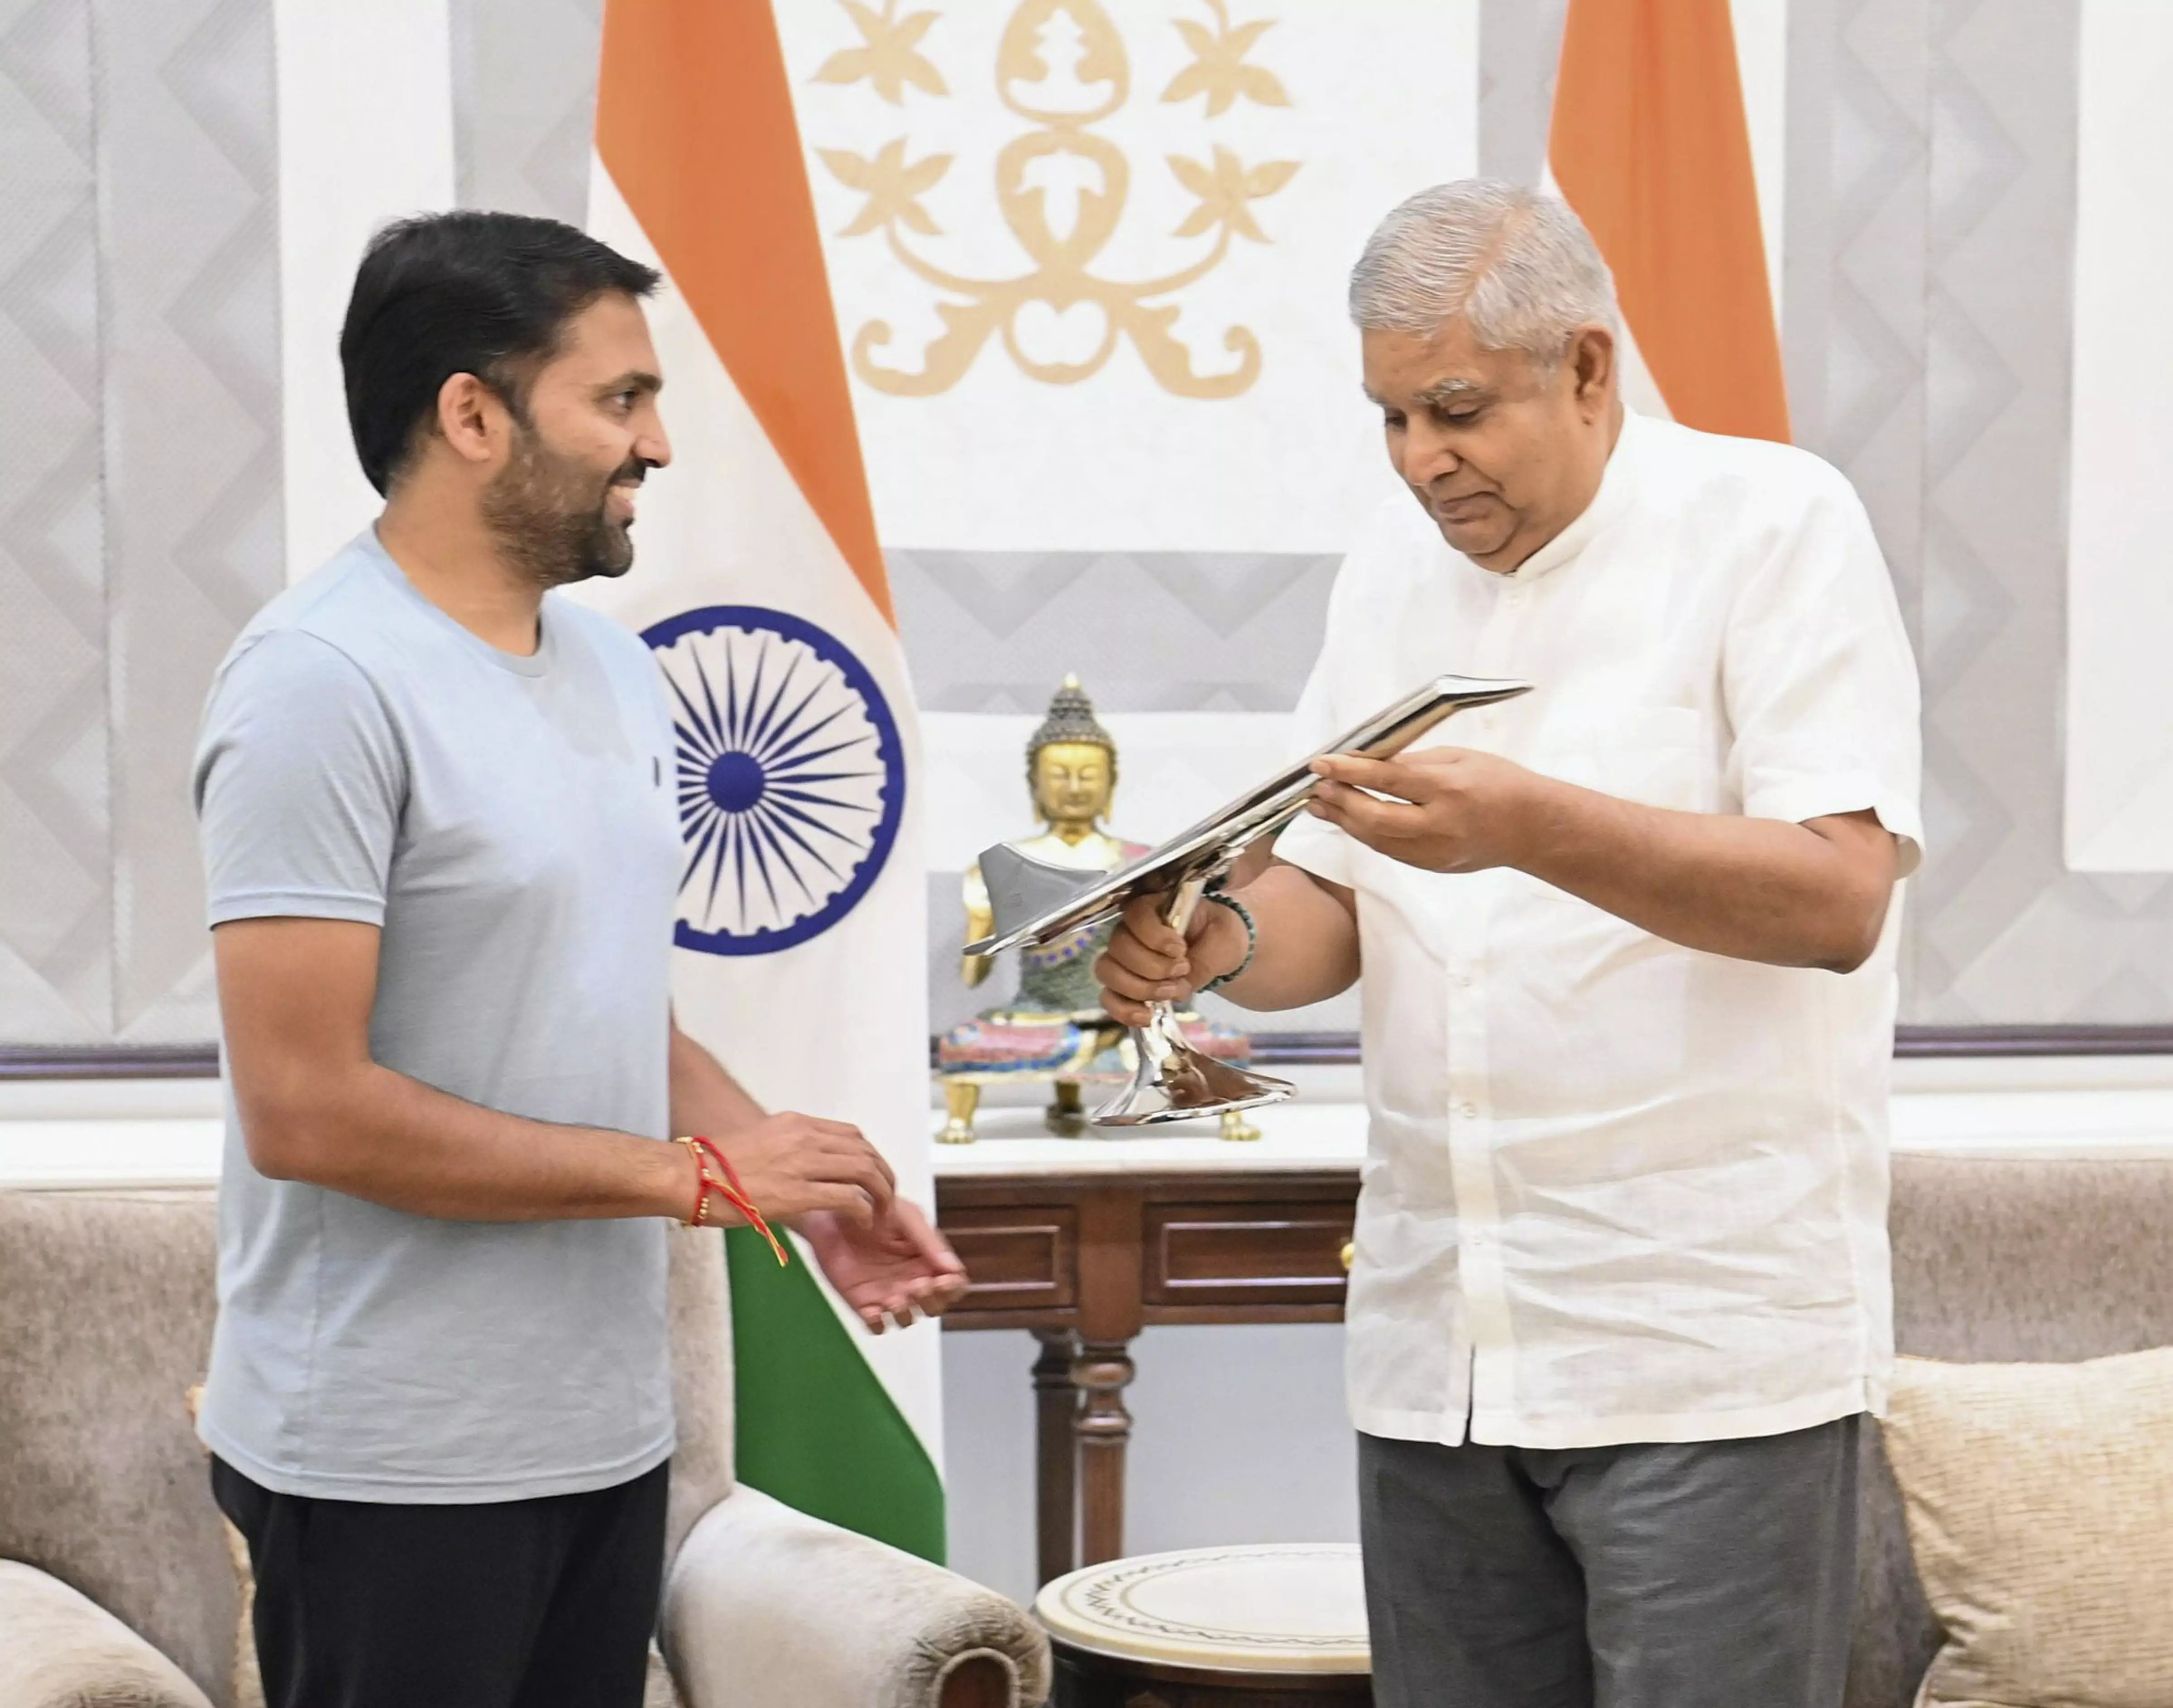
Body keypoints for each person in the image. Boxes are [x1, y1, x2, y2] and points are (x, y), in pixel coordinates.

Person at [1095, 180, 1921, 1708]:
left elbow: (1837, 896)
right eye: (1392, 418)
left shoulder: (1776, 524)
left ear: (1591, 368)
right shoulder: (1390, 579)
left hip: (1703, 1348)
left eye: (1458, 409)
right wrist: (1206, 939)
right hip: (1437, 1344)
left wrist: (1532, 823)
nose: (1422, 461)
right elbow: (1334, 905)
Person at [191, 210, 967, 1708]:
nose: (658, 442)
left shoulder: (614, 666)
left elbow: (608, 1000)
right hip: (389, 1465)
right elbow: (308, 1106)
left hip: (609, 1440)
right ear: (470, 413)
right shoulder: (317, 684)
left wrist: (775, 1183)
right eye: (619, 399)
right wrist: (685, 1178)